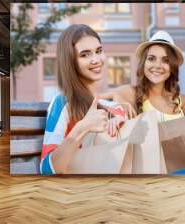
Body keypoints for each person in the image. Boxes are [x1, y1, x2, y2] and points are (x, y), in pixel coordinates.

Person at [40, 24, 128, 174]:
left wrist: (124, 123)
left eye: (99, 51)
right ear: (71, 61)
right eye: (85, 54)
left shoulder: (113, 107)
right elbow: (46, 169)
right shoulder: (63, 104)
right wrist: (82, 127)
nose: (96, 59)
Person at [102, 31, 185, 137]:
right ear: (144, 63)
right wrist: (117, 107)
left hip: (178, 158)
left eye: (165, 60)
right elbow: (94, 99)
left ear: (172, 66)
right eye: (151, 59)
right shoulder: (130, 92)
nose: (157, 65)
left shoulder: (184, 102)